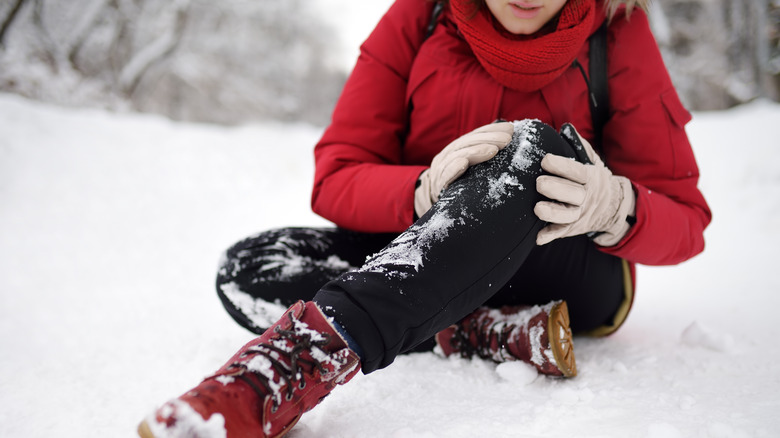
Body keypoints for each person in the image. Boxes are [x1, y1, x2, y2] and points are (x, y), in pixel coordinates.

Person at [138, 0, 711, 436]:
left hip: (567, 264)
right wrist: (421, 189)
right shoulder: (421, 17)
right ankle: (477, 330)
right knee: (251, 265)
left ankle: (285, 368)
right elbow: (335, 174)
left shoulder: (619, 29)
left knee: (530, 150)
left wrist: (616, 205)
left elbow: (687, 220)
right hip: (427, 250)